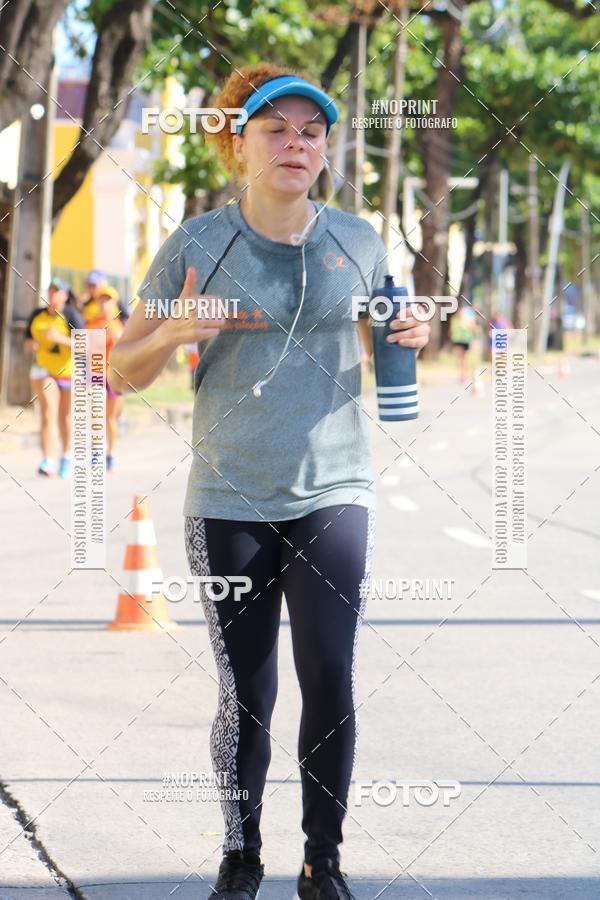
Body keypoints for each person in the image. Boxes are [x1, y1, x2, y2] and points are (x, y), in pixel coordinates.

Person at [108, 63, 430, 900]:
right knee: (246, 691)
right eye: (276, 128)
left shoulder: (359, 239)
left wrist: (413, 332)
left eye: (312, 130)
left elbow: (388, 333)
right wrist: (178, 328)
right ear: (238, 143)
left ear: (325, 149)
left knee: (330, 670)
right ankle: (241, 853)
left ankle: (323, 862)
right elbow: (119, 369)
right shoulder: (198, 244)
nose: (297, 142)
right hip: (229, 495)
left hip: (335, 486)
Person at [24, 278, 85, 477]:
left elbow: (87, 346)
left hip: (67, 371)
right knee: (48, 412)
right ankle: (47, 460)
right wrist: (31, 345)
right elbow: (27, 341)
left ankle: (66, 456)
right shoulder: (37, 315)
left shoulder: (71, 316)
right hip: (44, 370)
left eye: (57, 291)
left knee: (65, 417)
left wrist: (61, 339)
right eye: (50, 290)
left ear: (65, 296)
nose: (52, 294)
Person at [85, 285, 125, 471]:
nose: (104, 304)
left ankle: (112, 453)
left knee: (110, 418)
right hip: (96, 374)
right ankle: (96, 453)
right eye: (101, 300)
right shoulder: (91, 324)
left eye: (107, 300)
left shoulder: (121, 326)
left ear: (114, 302)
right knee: (96, 416)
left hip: (114, 377)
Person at [449, 300, 478, 383]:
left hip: (466, 340)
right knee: (459, 359)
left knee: (465, 359)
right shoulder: (454, 319)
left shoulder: (468, 319)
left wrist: (474, 340)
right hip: (457, 340)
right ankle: (461, 376)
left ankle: (466, 375)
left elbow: (473, 329)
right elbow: (451, 330)